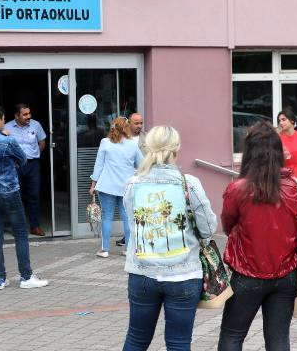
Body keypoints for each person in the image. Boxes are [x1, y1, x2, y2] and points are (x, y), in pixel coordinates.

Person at [122, 126, 217, 351]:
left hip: (142, 272)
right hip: (184, 274)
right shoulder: (188, 183)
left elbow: (133, 225)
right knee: (179, 343)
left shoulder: (133, 184)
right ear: (176, 150)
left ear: (148, 148)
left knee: (136, 339)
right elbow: (208, 228)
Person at [218, 121, 297, 351]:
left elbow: (227, 225)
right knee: (278, 340)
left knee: (232, 336)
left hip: (247, 273)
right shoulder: (293, 186)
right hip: (286, 274)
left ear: (250, 152)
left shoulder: (238, 189)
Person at [0, 104, 49, 290]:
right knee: (21, 233)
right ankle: (26, 277)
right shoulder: (7, 141)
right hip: (9, 191)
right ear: (0, 120)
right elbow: (23, 160)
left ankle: (0, 279)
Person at [89, 117, 143, 258]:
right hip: (126, 187)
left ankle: (104, 250)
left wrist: (93, 184)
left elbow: (99, 165)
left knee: (107, 216)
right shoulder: (133, 144)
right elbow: (141, 164)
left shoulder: (105, 142)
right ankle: (127, 250)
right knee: (127, 217)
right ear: (126, 128)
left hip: (107, 186)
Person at [5, 104, 47, 237]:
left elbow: (42, 143)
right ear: (17, 116)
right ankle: (17, 227)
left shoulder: (36, 125)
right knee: (16, 196)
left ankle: (35, 226)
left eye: (29, 113)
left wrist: (33, 155)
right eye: (25, 114)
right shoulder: (7, 127)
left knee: (33, 195)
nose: (28, 116)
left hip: (33, 165)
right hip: (15, 166)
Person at [116, 112, 147, 247]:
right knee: (127, 209)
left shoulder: (147, 138)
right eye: (136, 123)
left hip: (142, 178)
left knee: (140, 208)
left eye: (141, 123)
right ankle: (128, 236)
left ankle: (140, 236)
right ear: (129, 123)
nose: (139, 126)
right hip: (124, 179)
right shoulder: (121, 137)